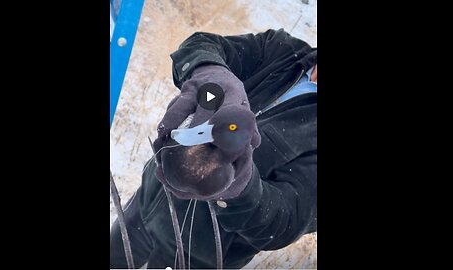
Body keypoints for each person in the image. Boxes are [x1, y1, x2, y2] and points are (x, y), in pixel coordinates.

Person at [110, 28, 317, 269]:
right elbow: (201, 43)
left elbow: (284, 221)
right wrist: (211, 73)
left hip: (195, 257)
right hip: (146, 205)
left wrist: (238, 184)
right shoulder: (282, 50)